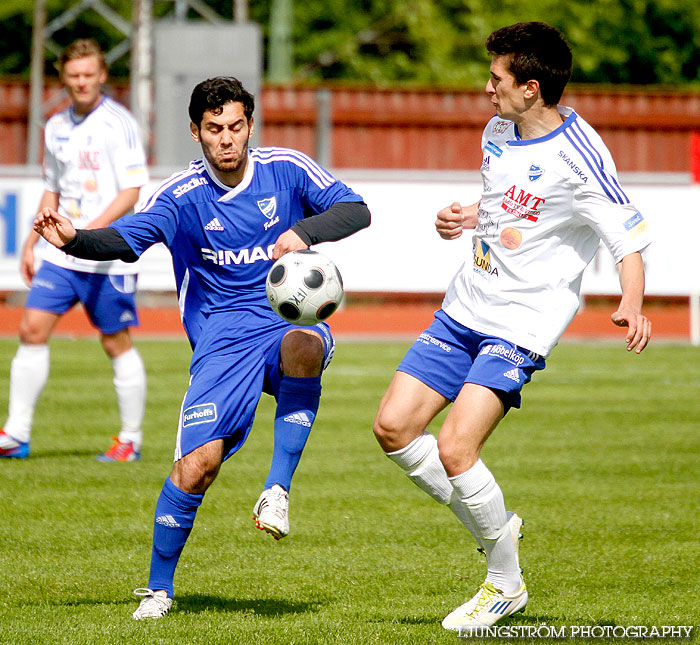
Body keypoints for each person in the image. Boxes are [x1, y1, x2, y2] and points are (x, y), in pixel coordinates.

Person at [34, 76, 371, 619]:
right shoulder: (180, 196)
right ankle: (159, 590)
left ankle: (277, 489)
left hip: (280, 323)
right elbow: (127, 239)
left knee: (305, 341)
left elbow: (356, 210)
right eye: (214, 129)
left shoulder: (286, 168)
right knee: (195, 469)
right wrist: (75, 239)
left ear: (250, 126)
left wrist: (304, 232)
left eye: (236, 127)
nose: (227, 139)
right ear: (196, 132)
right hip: (219, 341)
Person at [372, 22, 652, 634]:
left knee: (454, 448)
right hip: (465, 305)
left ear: (531, 87)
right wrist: (467, 216)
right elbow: (508, 203)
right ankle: (495, 525)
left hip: (523, 321)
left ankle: (504, 584)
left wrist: (632, 301)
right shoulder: (498, 130)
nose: (487, 87)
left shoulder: (580, 156)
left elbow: (626, 239)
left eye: (496, 78)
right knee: (392, 428)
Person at [0, 39, 148, 462]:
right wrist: (32, 241)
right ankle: (16, 433)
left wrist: (88, 235)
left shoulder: (120, 124)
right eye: (73, 75)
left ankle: (130, 439)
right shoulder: (55, 126)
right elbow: (53, 188)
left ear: (102, 75)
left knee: (114, 341)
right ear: (63, 78)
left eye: (89, 74)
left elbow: (132, 191)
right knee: (31, 329)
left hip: (106, 254)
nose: (81, 82)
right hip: (61, 254)